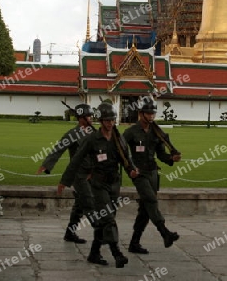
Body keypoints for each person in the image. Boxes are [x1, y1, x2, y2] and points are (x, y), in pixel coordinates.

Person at [57, 102, 138, 268]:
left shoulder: (118, 138)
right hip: (98, 183)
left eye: (112, 120)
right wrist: (65, 181)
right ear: (100, 121)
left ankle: (94, 253)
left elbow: (126, 158)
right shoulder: (91, 139)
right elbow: (77, 160)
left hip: (114, 183)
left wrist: (131, 169)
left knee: (105, 220)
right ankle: (117, 253)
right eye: (107, 120)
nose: (110, 123)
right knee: (108, 218)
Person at [123, 97, 181, 254]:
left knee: (145, 209)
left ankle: (134, 243)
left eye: (153, 113)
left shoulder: (157, 132)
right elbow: (120, 150)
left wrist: (171, 158)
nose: (151, 116)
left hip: (153, 173)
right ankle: (164, 232)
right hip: (139, 173)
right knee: (150, 200)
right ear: (141, 114)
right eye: (148, 113)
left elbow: (161, 154)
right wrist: (129, 168)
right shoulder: (131, 132)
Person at [37, 103, 95, 244]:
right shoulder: (72, 134)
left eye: (91, 115)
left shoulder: (94, 133)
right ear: (81, 118)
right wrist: (46, 164)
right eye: (88, 116)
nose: (91, 118)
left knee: (80, 205)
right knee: (89, 202)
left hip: (92, 174)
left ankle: (70, 233)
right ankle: (104, 232)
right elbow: (58, 149)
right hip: (78, 174)